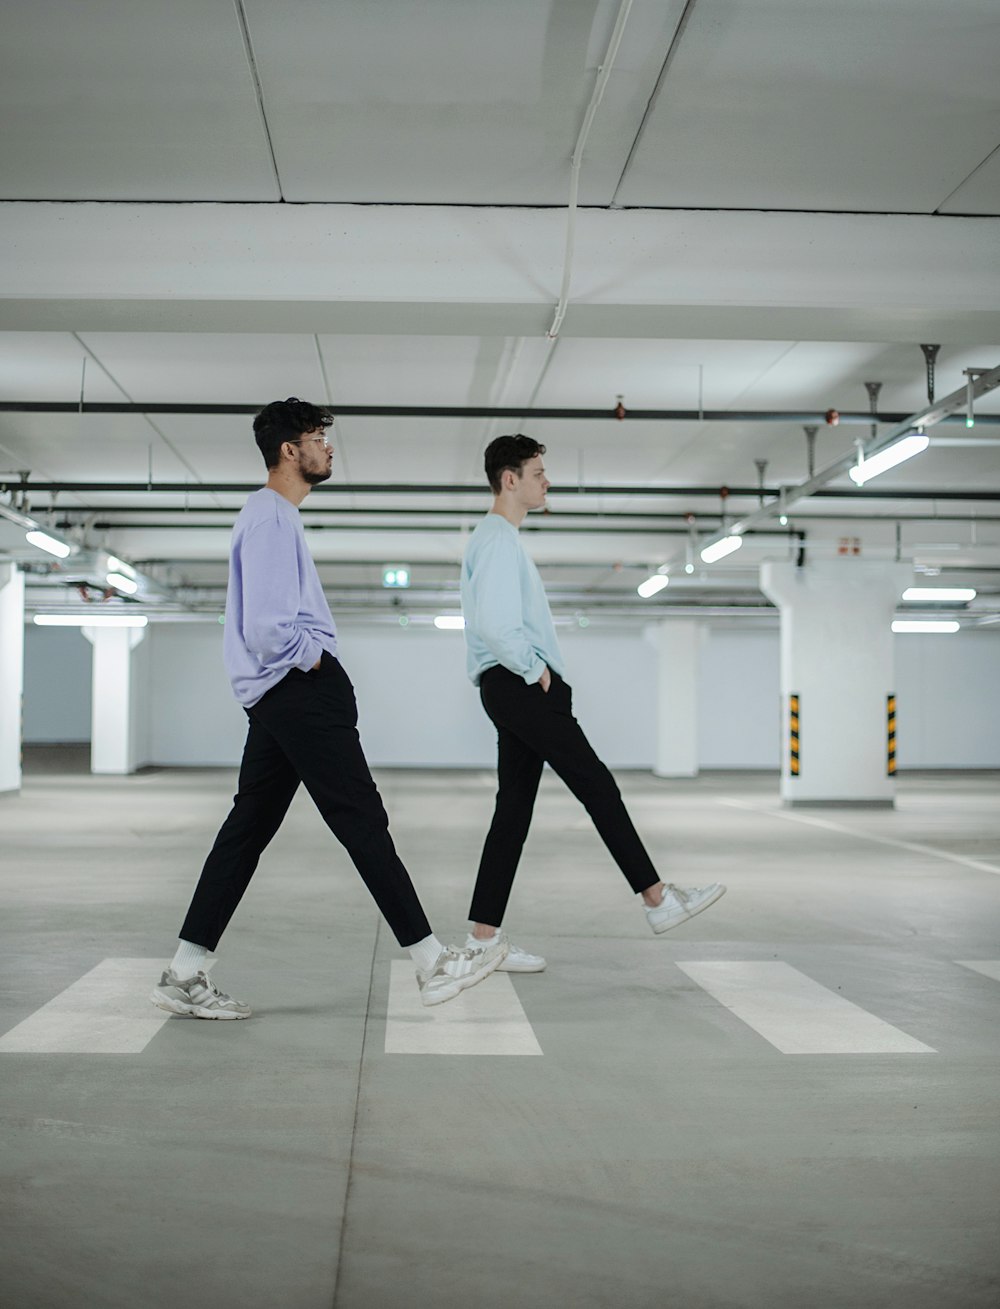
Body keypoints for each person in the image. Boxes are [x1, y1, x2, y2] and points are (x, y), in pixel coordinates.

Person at [151, 398, 507, 1019]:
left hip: (279, 695)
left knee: (247, 831)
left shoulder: (275, 516)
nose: (328, 446)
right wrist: (316, 660)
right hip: (296, 690)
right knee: (360, 817)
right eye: (318, 436)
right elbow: (267, 629)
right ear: (290, 450)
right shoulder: (270, 518)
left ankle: (184, 971)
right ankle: (431, 961)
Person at [459, 433, 726, 970]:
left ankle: (483, 939)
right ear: (510, 480)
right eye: (538, 473)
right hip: (519, 684)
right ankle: (656, 900)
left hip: (509, 687)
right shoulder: (496, 540)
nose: (546, 482)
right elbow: (494, 624)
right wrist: (537, 672)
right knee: (595, 784)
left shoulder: (499, 539)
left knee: (513, 810)